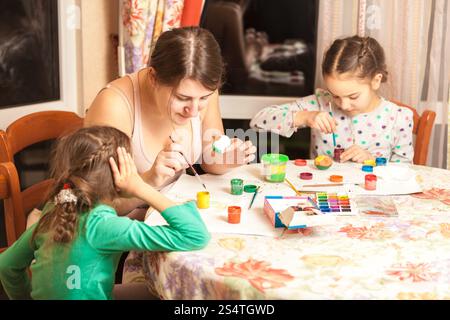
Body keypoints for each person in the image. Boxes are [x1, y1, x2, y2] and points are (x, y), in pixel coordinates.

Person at [0, 126, 210, 300]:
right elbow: (195, 235)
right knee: (164, 294)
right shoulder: (104, 226)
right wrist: (141, 188)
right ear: (119, 176)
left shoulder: (56, 209)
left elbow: (6, 265)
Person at [85, 26, 257, 215]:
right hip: (129, 232)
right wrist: (148, 181)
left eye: (204, 98)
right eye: (182, 98)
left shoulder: (201, 89)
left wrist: (226, 159)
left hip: (176, 220)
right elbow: (97, 206)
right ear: (153, 77)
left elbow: (210, 158)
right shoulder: (114, 105)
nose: (193, 111)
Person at [250, 35, 414, 163]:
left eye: (353, 96)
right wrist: (305, 117)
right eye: (336, 95)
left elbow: (404, 172)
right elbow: (258, 121)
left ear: (376, 81)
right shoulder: (321, 103)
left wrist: (372, 161)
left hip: (372, 201)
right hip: (322, 199)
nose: (344, 104)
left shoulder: (399, 117)